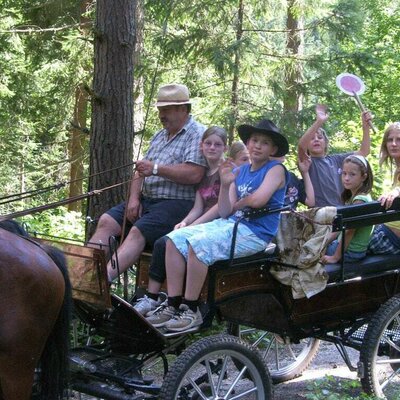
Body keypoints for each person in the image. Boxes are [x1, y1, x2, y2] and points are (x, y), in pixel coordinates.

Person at [146, 119, 289, 332]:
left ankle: (191, 309)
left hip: (255, 233)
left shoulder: (276, 169)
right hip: (232, 224)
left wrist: (241, 202)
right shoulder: (240, 172)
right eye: (255, 140)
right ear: (247, 143)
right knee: (175, 239)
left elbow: (258, 200)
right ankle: (172, 303)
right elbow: (224, 211)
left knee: (199, 244)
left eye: (265, 143)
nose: (258, 146)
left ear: (273, 149)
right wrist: (225, 184)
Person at [88, 83, 208, 282]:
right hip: (147, 200)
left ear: (184, 109)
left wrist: (156, 168)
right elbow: (140, 170)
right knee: (107, 221)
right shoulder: (159, 135)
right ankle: (81, 275)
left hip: (177, 204)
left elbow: (194, 173)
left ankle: (101, 281)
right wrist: (134, 198)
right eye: (160, 110)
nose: (161, 115)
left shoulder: (197, 134)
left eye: (166, 110)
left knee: (138, 231)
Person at [134, 128, 250, 315]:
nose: (212, 148)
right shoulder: (203, 174)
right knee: (165, 240)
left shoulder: (227, 170)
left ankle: (156, 298)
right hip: (202, 222)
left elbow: (219, 208)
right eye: (208, 143)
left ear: (225, 148)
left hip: (219, 222)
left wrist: (195, 225)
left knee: (164, 242)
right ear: (201, 146)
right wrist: (186, 222)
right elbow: (198, 206)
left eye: (217, 144)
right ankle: (162, 298)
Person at [298, 104, 372, 207]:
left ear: (326, 143)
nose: (316, 140)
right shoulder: (307, 162)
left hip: (341, 211)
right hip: (320, 214)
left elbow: (364, 152)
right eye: (312, 138)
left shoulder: (337, 159)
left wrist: (365, 127)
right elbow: (301, 146)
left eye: (320, 137)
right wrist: (319, 122)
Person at [322, 155, 374, 264]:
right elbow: (340, 230)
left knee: (309, 251)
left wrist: (335, 257)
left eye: (352, 174)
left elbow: (349, 231)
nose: (346, 178)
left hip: (350, 252)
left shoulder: (359, 201)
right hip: (351, 250)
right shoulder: (356, 198)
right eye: (344, 173)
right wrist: (324, 241)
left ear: (363, 177)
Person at [369, 122, 400, 254]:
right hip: (385, 230)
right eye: (390, 140)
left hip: (391, 239)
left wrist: (396, 191)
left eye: (399, 139)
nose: (393, 144)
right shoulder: (397, 170)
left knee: (337, 249)